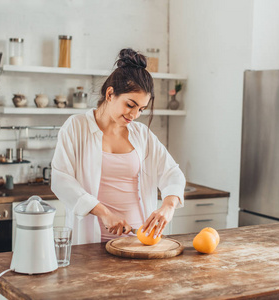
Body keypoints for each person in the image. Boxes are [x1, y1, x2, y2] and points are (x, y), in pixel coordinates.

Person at [51, 48, 186, 245]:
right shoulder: (76, 127)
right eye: (130, 105)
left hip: (139, 241)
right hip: (91, 244)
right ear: (110, 94)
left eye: (141, 109)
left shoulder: (141, 134)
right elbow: (61, 180)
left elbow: (171, 172)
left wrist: (168, 206)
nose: (134, 115)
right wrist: (104, 213)